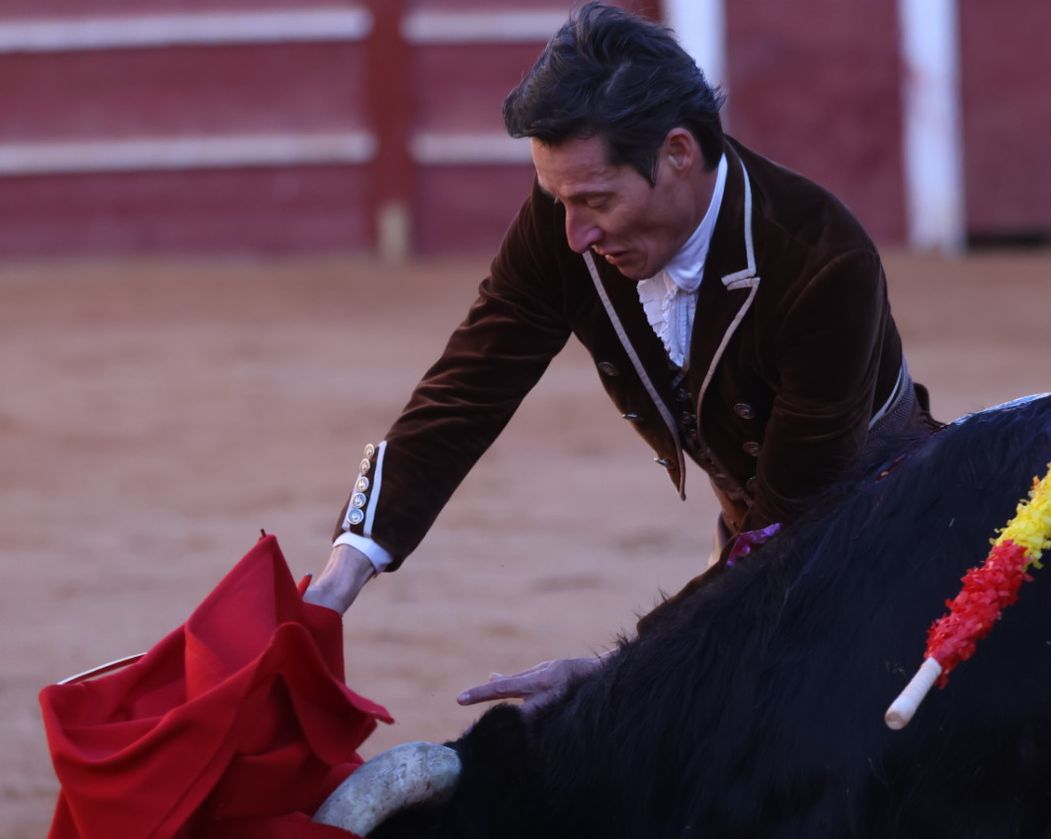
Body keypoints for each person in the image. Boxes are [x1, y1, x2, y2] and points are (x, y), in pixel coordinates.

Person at [304, 2, 937, 711]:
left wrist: (622, 671)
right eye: (559, 200)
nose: (574, 235)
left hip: (884, 541)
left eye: (596, 200)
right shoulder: (565, 219)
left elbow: (796, 521)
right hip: (752, 549)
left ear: (678, 154)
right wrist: (340, 575)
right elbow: (467, 387)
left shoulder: (823, 263)